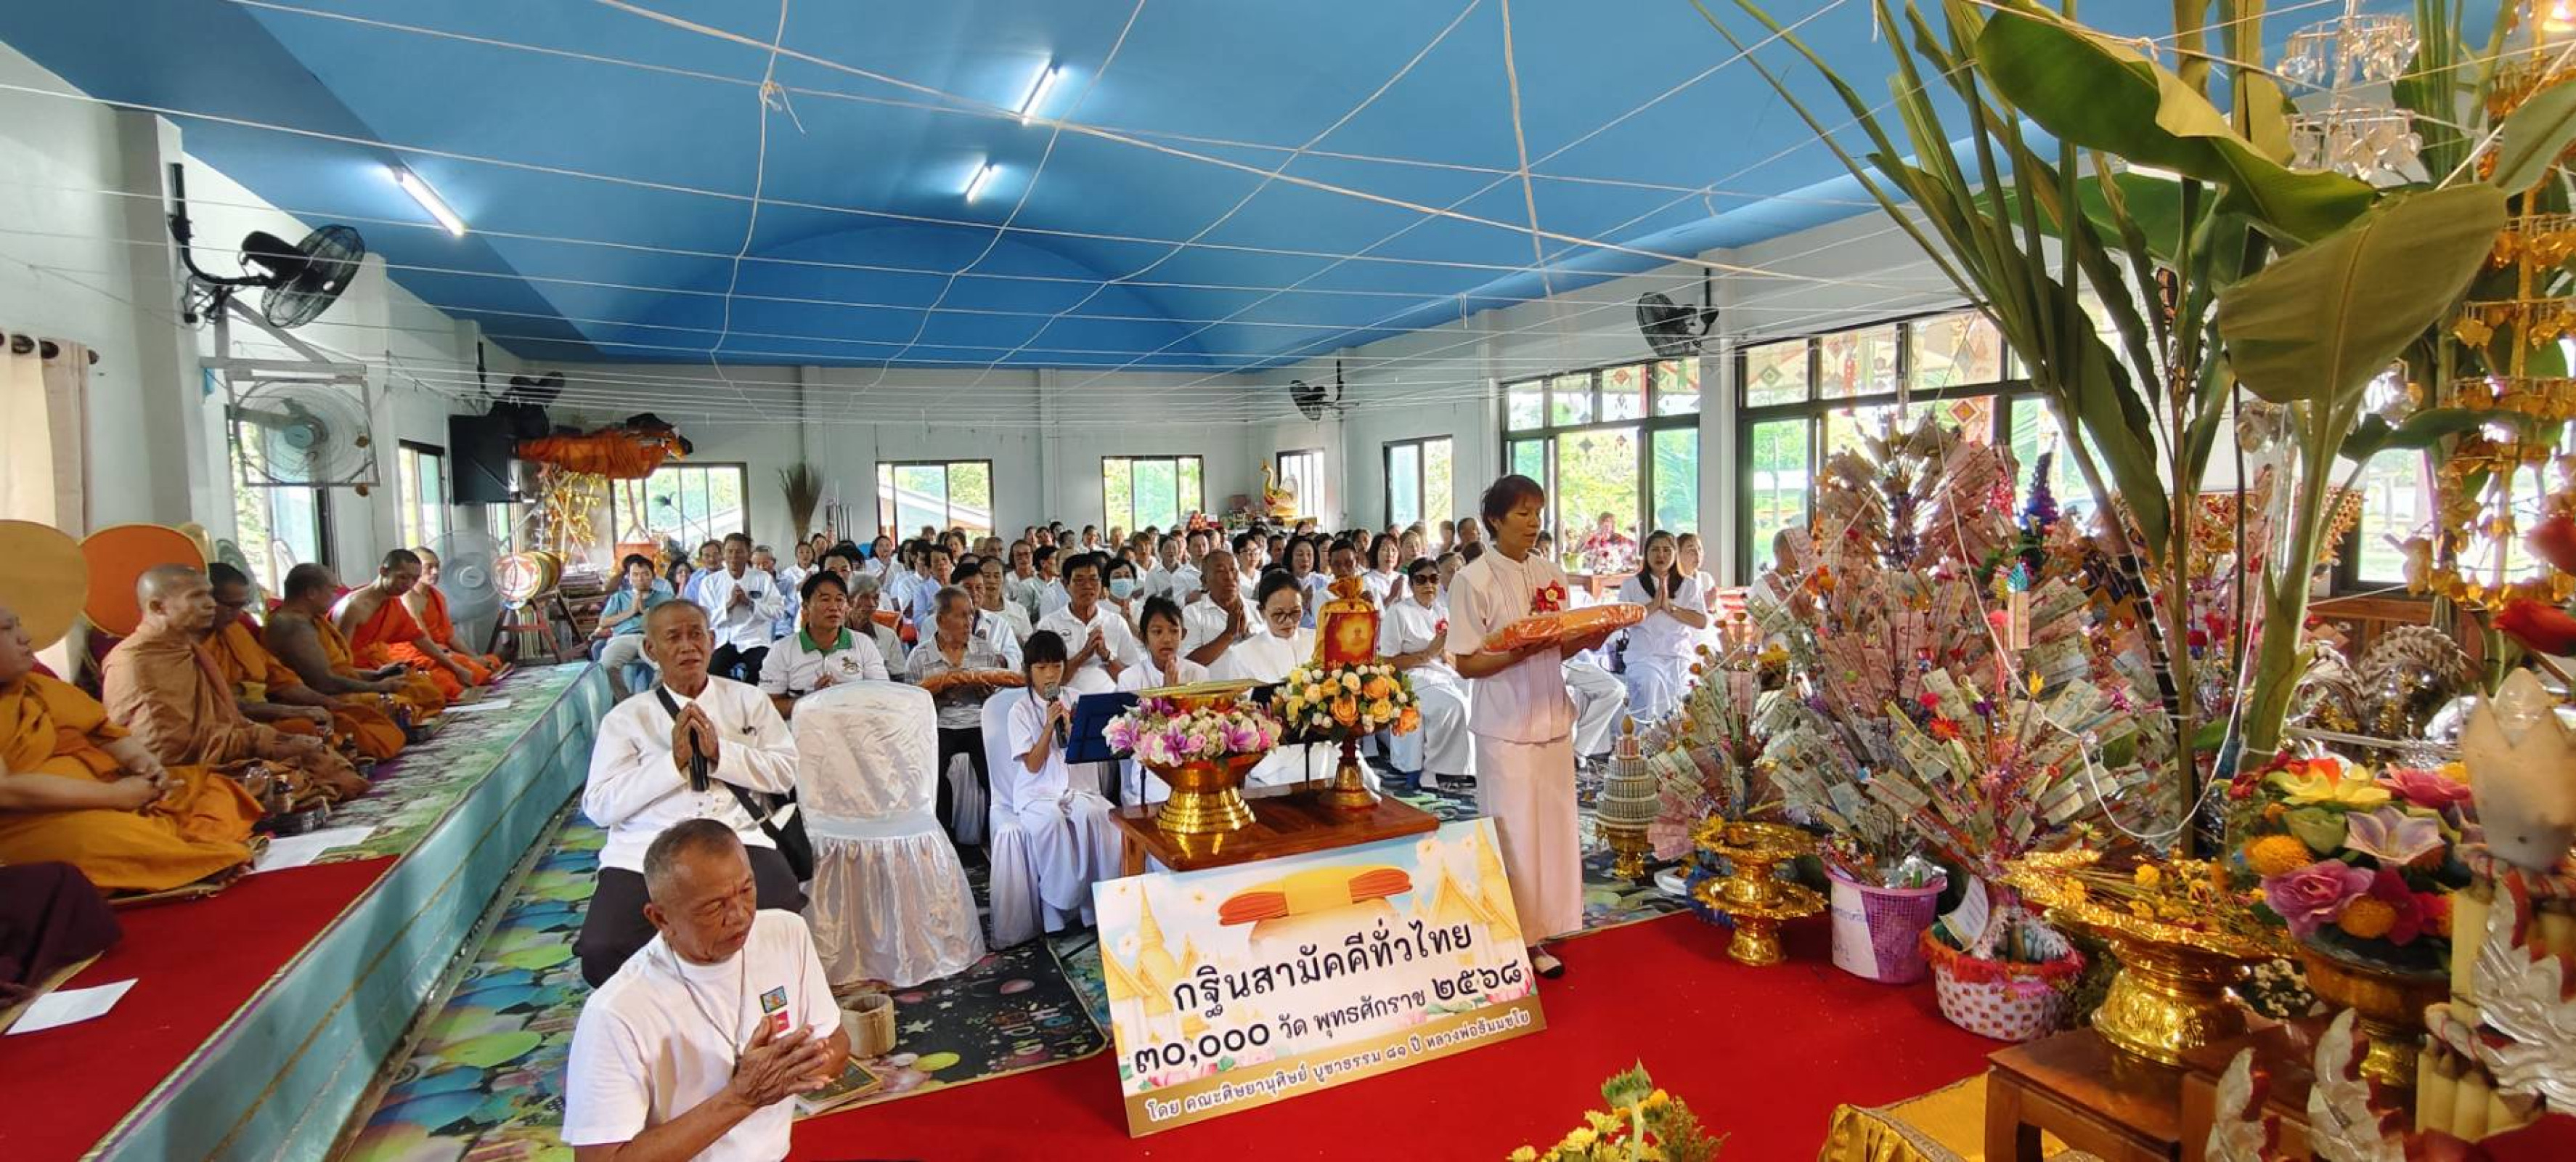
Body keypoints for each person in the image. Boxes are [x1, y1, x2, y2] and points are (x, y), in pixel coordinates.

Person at [563, 819, 848, 1162]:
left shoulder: (787, 935)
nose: (740, 916)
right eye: (715, 906)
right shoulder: (616, 1012)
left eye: (746, 890)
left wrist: (788, 1071)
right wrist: (741, 1097)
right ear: (661, 919)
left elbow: (837, 1044)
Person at [576, 601, 804, 988]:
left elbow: (785, 773)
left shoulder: (748, 701)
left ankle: (759, 1009)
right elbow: (599, 806)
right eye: (673, 637)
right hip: (647, 849)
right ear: (651, 651)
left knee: (780, 918)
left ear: (712, 642)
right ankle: (658, 1022)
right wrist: (672, 766)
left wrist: (722, 755)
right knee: (603, 946)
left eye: (696, 635)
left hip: (736, 836)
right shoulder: (628, 718)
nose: (688, 647)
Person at [1447, 476, 1619, 978]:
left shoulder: (1551, 574)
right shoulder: (1472, 581)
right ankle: (1510, 937)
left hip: (1550, 715)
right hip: (1504, 724)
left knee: (1554, 831)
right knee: (1513, 833)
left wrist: (1588, 638)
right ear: (1495, 521)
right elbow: (1466, 663)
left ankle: (1544, 928)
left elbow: (1557, 644)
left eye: (1538, 513)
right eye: (1521, 513)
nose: (1532, 523)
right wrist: (1511, 654)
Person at [0, 601, 261, 893]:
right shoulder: (132, 658)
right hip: (30, 821)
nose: (24, 637)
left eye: (18, 624)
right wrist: (114, 796)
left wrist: (146, 765)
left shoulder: (39, 687)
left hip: (111, 791)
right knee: (98, 838)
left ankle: (183, 853)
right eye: (7, 629)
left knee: (209, 786)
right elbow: (5, 789)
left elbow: (105, 732)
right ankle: (191, 859)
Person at [105, 565, 370, 805]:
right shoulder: (137, 663)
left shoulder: (188, 650)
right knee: (286, 779)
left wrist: (274, 739)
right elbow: (169, 751)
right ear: (157, 607)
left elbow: (228, 717)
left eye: (210, 595)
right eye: (196, 597)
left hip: (230, 748)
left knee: (317, 758)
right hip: (183, 774)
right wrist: (268, 742)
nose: (210, 605)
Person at [203, 563, 406, 761]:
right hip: (237, 724)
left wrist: (330, 702)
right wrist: (374, 686)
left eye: (242, 606)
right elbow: (322, 682)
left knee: (368, 715)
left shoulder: (236, 632)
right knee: (317, 728)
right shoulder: (288, 624)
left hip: (273, 711)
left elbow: (284, 682)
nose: (238, 614)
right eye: (231, 605)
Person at [1004, 632, 1120, 922]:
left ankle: (1102, 907)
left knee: (1098, 816)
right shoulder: (1019, 710)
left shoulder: (1077, 700)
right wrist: (1048, 727)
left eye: (1056, 666)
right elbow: (1032, 765)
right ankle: (1060, 904)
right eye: (1041, 668)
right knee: (1052, 822)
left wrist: (1070, 727)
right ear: (1029, 671)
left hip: (1078, 788)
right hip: (1037, 791)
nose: (1050, 675)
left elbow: (1089, 750)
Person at [264, 563, 449, 723]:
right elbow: (322, 682)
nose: (334, 597)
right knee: (402, 704)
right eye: (332, 590)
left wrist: (377, 675)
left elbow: (338, 668)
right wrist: (377, 686)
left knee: (422, 688)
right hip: (323, 696)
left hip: (344, 683)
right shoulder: (293, 626)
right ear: (312, 593)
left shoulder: (310, 620)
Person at [905, 587, 1011, 839]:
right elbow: (912, 705)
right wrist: (942, 695)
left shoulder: (985, 650)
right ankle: (945, 837)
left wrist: (986, 694)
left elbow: (995, 697)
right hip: (940, 725)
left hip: (978, 722)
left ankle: (998, 831)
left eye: (971, 615)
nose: (969, 623)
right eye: (961, 616)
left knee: (995, 770)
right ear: (941, 620)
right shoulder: (919, 657)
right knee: (933, 772)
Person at [1214, 571, 1328, 789]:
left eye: (1295, 613)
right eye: (1278, 615)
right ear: (1261, 611)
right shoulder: (1243, 653)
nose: (1288, 621)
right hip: (1274, 751)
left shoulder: (1316, 641)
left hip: (1322, 742)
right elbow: (1238, 713)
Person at [338, 550, 481, 700]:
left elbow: (419, 638)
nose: (408, 584)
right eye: (402, 577)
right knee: (412, 697)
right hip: (354, 677)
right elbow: (339, 663)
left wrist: (456, 669)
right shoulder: (354, 607)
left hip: (380, 668)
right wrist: (376, 680)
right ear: (383, 571)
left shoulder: (393, 603)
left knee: (428, 690)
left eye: (414, 579)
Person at [1382, 557, 1472, 790]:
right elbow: (1388, 661)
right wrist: (1428, 654)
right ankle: (1435, 769)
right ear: (1411, 585)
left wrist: (1447, 656)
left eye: (1433, 579)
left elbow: (1449, 654)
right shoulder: (1398, 612)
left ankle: (1465, 766)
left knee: (1477, 693)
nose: (1428, 585)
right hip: (1413, 677)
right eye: (1421, 580)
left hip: (1444, 673)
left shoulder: (1442, 610)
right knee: (1453, 705)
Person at [757, 570, 889, 720]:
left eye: (840, 600)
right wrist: (812, 701)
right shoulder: (782, 650)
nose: (834, 607)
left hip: (853, 730)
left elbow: (881, 694)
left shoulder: (863, 644)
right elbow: (767, 705)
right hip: (802, 733)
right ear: (806, 607)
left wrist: (843, 698)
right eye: (825, 600)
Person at [1618, 531, 1708, 720]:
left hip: (1678, 656)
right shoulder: (1631, 585)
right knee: (1651, 682)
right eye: (1655, 550)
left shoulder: (1689, 585)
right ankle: (1648, 741)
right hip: (1644, 656)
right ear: (1646, 554)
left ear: (1675, 555)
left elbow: (1701, 622)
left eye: (1667, 550)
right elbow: (1620, 622)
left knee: (1685, 691)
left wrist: (1670, 608)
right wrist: (1652, 607)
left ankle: (1677, 744)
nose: (1661, 555)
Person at [1035, 553, 1136, 694]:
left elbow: (1132, 680)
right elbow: (1047, 685)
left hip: (1111, 702)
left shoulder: (1116, 622)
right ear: (1065, 584)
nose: (1088, 586)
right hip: (1067, 705)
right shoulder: (1049, 626)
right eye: (1079, 581)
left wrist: (1106, 656)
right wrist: (1084, 654)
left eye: (1094, 579)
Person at [407, 547, 507, 687]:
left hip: (442, 650)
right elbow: (424, 641)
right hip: (421, 653)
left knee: (491, 661)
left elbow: (450, 635)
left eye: (437, 566)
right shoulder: (408, 597)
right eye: (429, 567)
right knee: (472, 673)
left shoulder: (437, 596)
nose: (435, 572)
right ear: (414, 569)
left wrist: (474, 657)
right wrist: (462, 660)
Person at [698, 534, 785, 683]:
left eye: (739, 552)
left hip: (755, 639)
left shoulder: (762, 578)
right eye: (729, 551)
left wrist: (750, 604)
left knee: (764, 668)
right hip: (724, 641)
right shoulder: (710, 582)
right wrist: (729, 605)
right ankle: (731, 696)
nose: (734, 556)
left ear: (749, 555)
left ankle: (751, 700)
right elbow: (704, 619)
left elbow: (778, 611)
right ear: (723, 555)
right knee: (711, 671)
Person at [592, 554, 673, 700]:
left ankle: (652, 698)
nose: (640, 579)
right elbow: (603, 622)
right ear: (629, 578)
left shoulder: (665, 597)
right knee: (607, 665)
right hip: (623, 638)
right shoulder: (619, 597)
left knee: (666, 666)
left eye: (645, 574)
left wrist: (645, 612)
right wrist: (631, 612)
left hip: (652, 638)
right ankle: (625, 701)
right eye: (635, 575)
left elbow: (671, 623)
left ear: (653, 576)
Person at [1179, 550, 1251, 670]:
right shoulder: (1192, 614)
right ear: (1205, 581)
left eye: (1233, 570)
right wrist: (1229, 634)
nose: (1229, 577)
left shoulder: (1257, 610)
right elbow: (1186, 664)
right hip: (1212, 687)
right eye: (1220, 571)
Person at [1120, 596, 1207, 693]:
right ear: (1144, 637)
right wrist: (1167, 691)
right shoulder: (1129, 678)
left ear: (1182, 635)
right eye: (1157, 632)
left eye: (1174, 631)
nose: (1167, 640)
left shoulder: (1198, 674)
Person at [974, 556, 1034, 655]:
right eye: (987, 576)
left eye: (997, 576)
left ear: (1004, 579)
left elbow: (1030, 646)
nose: (992, 581)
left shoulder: (1019, 611)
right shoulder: (972, 612)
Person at [846, 574, 908, 668]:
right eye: (865, 597)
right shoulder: (834, 635)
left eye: (876, 598)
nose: (872, 604)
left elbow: (899, 676)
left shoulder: (888, 636)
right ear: (850, 600)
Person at [1362, 532, 1408, 609]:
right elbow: (1373, 613)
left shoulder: (1404, 578)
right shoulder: (1366, 580)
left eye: (1394, 550)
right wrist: (1391, 597)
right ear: (1375, 553)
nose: (1390, 554)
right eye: (1385, 550)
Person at [1030, 546, 1070, 618]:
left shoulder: (1061, 583)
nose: (1058, 563)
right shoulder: (1028, 585)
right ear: (1043, 563)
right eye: (1055, 559)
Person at [681, 540, 723, 605]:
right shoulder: (696, 578)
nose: (712, 559)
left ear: (722, 556)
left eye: (715, 554)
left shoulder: (730, 575)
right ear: (701, 559)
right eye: (707, 556)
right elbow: (688, 603)